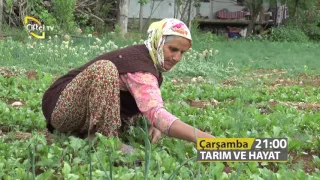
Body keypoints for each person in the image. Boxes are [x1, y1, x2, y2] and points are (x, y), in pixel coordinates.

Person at [42, 18, 215, 153]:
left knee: (141, 119)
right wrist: (209, 141)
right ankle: (107, 141)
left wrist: (154, 124)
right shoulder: (140, 65)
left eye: (182, 53)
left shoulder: (149, 63)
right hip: (63, 109)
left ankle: (93, 134)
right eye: (173, 49)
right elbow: (157, 112)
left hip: (83, 115)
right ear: (157, 42)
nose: (177, 57)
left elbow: (148, 101)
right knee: (105, 69)